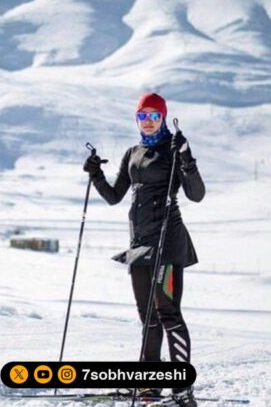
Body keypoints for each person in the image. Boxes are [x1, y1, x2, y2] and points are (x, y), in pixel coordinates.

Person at [83, 92, 205, 407]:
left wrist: (188, 160)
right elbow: (113, 196)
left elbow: (197, 195)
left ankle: (182, 389)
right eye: (142, 116)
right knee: (147, 317)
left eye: (154, 115)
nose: (148, 121)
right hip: (139, 247)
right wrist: (95, 174)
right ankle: (150, 386)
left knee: (168, 313)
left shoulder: (173, 151)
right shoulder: (132, 153)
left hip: (167, 245)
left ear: (163, 117)